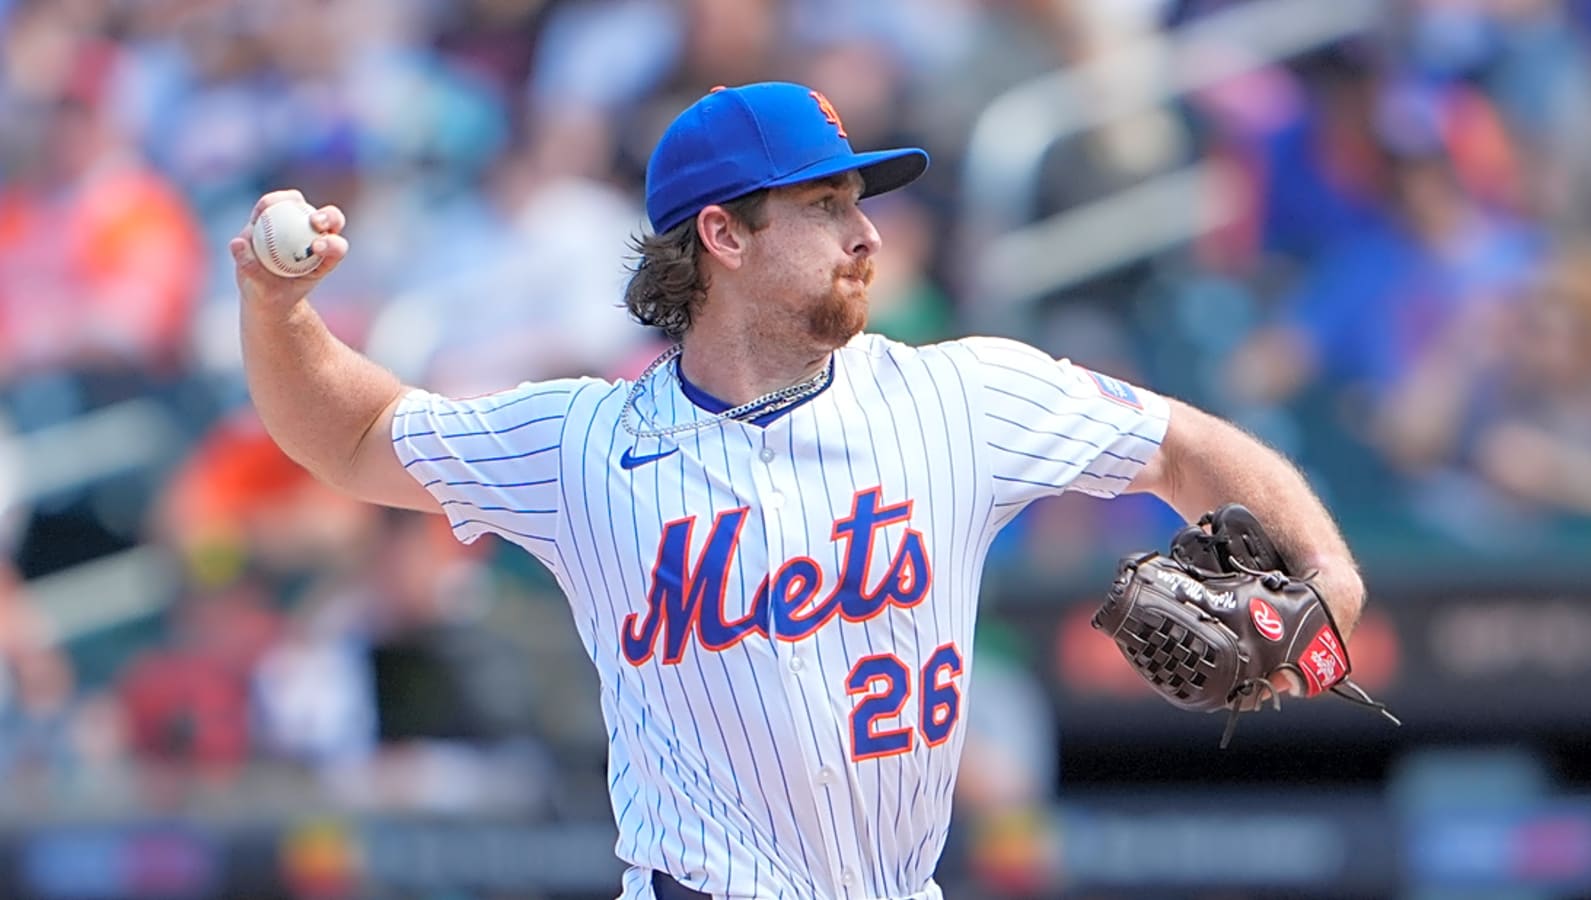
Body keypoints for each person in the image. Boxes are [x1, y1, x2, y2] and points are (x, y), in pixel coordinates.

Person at [233, 81, 1368, 900]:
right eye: (824, 204)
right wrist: (278, 313)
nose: (865, 232)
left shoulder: (959, 395)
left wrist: (1328, 577)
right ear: (721, 234)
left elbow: (1183, 444)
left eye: (859, 201)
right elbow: (359, 434)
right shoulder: (585, 442)